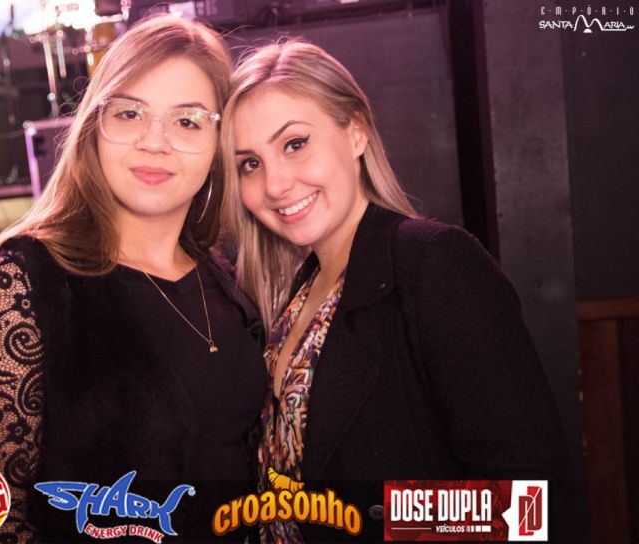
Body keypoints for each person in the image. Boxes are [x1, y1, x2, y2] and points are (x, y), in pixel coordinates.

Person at [220, 40, 572, 543]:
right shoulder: (298, 290)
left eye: (295, 144)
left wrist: (366, 518)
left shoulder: (434, 263)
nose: (274, 184)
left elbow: (528, 501)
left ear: (355, 132)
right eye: (249, 164)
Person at [0, 15, 267, 543]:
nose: (154, 142)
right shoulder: (28, 275)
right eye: (130, 113)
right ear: (95, 125)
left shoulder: (227, 280)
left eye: (188, 121)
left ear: (219, 144)